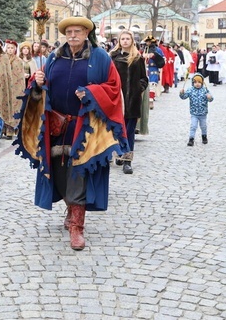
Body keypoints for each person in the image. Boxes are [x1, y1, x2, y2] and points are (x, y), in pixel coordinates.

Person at [15, 16, 128, 250]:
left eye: (78, 31)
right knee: (59, 171)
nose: (73, 35)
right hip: (57, 125)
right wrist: (36, 83)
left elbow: (114, 89)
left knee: (79, 171)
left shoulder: (100, 57)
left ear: (87, 33)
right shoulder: (55, 57)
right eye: (69, 32)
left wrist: (91, 92)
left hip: (86, 126)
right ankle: (70, 209)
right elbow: (41, 87)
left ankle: (77, 226)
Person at [109, 29, 148, 174]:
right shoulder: (112, 57)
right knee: (117, 130)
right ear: (119, 41)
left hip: (133, 100)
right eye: (122, 39)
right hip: (117, 100)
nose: (125, 41)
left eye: (128, 39)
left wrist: (139, 88)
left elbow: (144, 78)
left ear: (132, 41)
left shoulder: (137, 58)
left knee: (129, 131)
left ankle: (127, 160)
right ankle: (119, 153)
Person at [179, 73, 214, 146]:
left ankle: (204, 136)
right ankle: (191, 139)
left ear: (202, 83)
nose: (197, 84)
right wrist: (181, 93)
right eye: (195, 82)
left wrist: (209, 97)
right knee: (193, 126)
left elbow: (211, 99)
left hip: (203, 113)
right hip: (194, 113)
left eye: (199, 82)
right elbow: (184, 97)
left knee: (203, 126)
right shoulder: (190, 90)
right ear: (192, 83)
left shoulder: (205, 90)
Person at [2, 39, 26, 138]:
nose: (10, 50)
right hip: (5, 88)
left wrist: (21, 90)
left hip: (16, 89)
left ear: (15, 49)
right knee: (5, 108)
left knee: (14, 109)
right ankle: (3, 129)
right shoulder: (2, 59)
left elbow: (20, 76)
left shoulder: (19, 61)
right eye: (8, 48)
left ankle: (11, 130)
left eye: (12, 48)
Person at [142, 36, 165, 110]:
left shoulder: (158, 50)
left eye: (149, 41)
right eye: (147, 41)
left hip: (153, 68)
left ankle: (151, 100)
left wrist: (155, 56)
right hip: (145, 68)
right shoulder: (145, 49)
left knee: (152, 84)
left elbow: (163, 60)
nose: (147, 43)